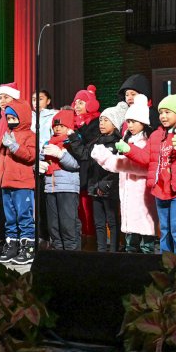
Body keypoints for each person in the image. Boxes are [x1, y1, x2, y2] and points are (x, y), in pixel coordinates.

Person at [119, 93, 176, 253]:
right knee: (164, 228)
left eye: (167, 112)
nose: (163, 116)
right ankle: (166, 259)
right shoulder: (156, 135)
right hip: (160, 188)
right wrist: (129, 149)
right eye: (161, 112)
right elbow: (145, 157)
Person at [91, 94, 157, 254]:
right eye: (128, 121)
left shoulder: (147, 141)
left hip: (143, 197)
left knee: (145, 242)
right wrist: (105, 157)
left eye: (134, 121)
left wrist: (107, 158)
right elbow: (123, 165)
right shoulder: (127, 140)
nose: (130, 125)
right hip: (128, 198)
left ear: (143, 122)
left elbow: (140, 166)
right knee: (130, 244)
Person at [0, 98, 37, 264]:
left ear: (23, 117)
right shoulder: (6, 134)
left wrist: (14, 146)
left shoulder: (30, 136)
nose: (11, 121)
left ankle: (28, 248)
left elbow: (30, 156)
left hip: (22, 184)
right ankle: (11, 245)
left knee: (24, 216)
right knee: (9, 218)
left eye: (14, 118)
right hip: (5, 183)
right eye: (9, 118)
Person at [85, 101, 126, 252]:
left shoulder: (119, 143)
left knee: (112, 221)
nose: (101, 123)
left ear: (114, 123)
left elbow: (118, 167)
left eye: (106, 120)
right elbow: (85, 157)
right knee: (99, 223)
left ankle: (113, 251)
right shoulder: (95, 142)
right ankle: (101, 251)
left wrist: (106, 184)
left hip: (110, 188)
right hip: (95, 187)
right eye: (100, 120)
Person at [39, 108, 82, 250]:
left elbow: (76, 164)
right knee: (53, 225)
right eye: (55, 126)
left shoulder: (73, 142)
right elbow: (41, 158)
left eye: (62, 126)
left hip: (67, 187)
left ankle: (71, 253)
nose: (57, 129)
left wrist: (61, 155)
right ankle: (57, 252)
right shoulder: (48, 143)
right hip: (50, 187)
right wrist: (39, 164)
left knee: (68, 224)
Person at [69, 85, 101, 250]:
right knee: (79, 209)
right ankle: (82, 239)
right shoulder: (72, 123)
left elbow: (86, 150)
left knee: (88, 209)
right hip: (75, 171)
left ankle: (91, 241)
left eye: (81, 103)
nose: (77, 106)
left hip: (89, 172)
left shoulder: (95, 124)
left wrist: (75, 135)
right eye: (76, 103)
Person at [0, 82, 21, 247]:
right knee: (3, 206)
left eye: (6, 97)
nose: (2, 100)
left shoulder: (19, 117)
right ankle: (4, 238)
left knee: (17, 206)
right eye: (0, 97)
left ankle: (19, 240)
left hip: (15, 167)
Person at [31, 89, 58, 248]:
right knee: (36, 203)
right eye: (34, 99)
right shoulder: (29, 117)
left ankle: (50, 237)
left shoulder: (53, 116)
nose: (36, 102)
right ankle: (40, 236)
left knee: (47, 202)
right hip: (31, 162)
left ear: (48, 101)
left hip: (47, 162)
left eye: (40, 99)